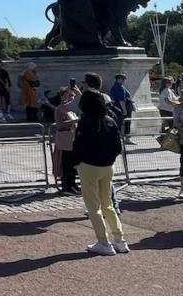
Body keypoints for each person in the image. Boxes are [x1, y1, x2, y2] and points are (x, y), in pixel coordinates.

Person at [73, 90, 128, 256]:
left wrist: (77, 162)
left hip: (89, 166)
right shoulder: (110, 120)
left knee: (93, 207)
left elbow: (78, 145)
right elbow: (118, 146)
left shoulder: (85, 122)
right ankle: (119, 240)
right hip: (107, 166)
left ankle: (103, 242)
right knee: (108, 204)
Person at [53, 86, 82, 194]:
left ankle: (73, 184)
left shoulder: (71, 109)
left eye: (73, 96)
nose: (71, 99)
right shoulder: (60, 109)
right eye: (69, 96)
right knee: (66, 165)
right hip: (64, 141)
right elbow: (60, 125)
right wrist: (73, 122)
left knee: (73, 165)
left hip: (72, 140)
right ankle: (67, 186)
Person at [108, 74, 134, 141]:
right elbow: (121, 100)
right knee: (126, 123)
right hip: (123, 108)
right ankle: (125, 139)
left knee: (121, 123)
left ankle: (122, 138)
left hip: (119, 108)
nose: (124, 81)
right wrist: (124, 110)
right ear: (119, 79)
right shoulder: (119, 87)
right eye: (123, 79)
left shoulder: (117, 86)